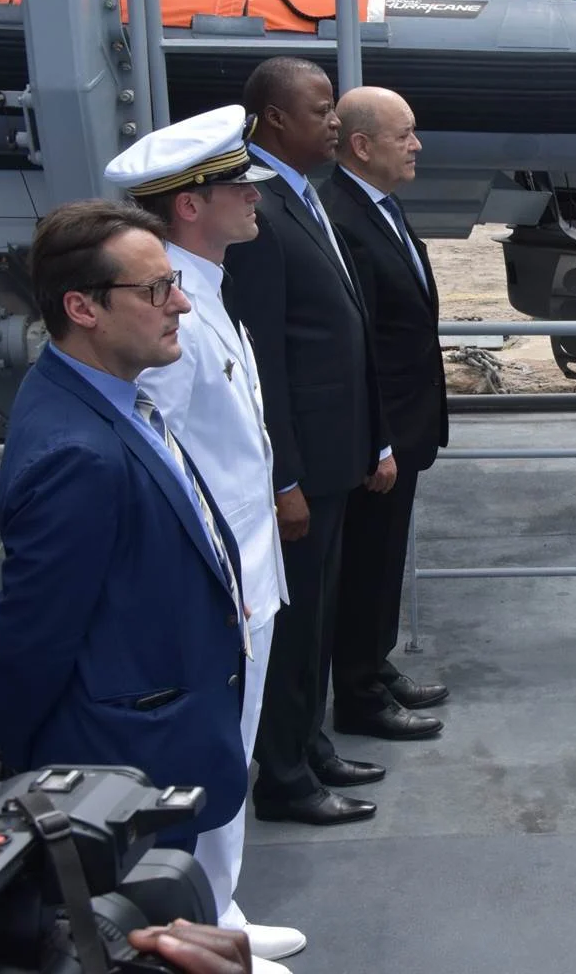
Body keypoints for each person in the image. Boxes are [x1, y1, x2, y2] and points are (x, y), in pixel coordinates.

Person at [103, 105, 305, 971]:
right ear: (189, 206)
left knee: (233, 748)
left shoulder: (204, 288)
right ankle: (196, 923)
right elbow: (162, 458)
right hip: (217, 583)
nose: (254, 196)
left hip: (248, 571)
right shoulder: (172, 314)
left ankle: (221, 907)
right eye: (237, 187)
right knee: (208, 757)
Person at [0, 200, 247, 852]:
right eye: (155, 290)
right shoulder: (77, 455)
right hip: (123, 775)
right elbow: (31, 638)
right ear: (82, 308)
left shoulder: (96, 395)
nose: (179, 304)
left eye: (173, 283)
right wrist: (19, 759)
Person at [225, 56, 391, 827]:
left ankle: (310, 742)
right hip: (305, 468)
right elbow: (266, 359)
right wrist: (283, 478)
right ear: (274, 120)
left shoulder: (301, 195)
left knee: (319, 617)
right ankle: (285, 778)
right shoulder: (258, 211)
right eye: (321, 109)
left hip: (336, 457)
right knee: (293, 628)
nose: (334, 121)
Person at [320, 86, 449, 741]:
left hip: (404, 423)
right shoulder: (342, 218)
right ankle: (360, 695)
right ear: (363, 146)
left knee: (385, 556)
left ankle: (374, 662)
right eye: (405, 135)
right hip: (381, 433)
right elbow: (357, 345)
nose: (417, 145)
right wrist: (378, 441)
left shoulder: (379, 206)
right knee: (367, 564)